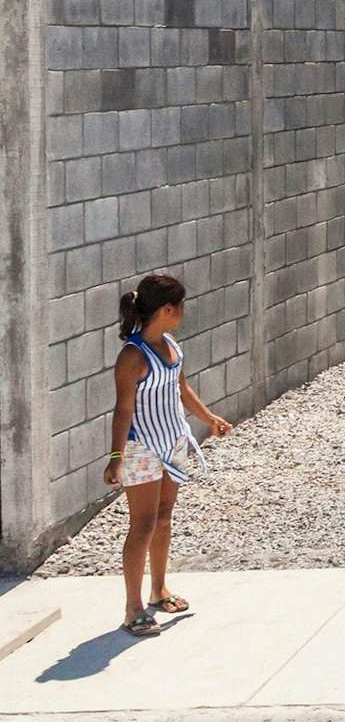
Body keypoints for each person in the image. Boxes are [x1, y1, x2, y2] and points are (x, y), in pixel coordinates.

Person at [103, 272, 232, 638]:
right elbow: (122, 409)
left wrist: (209, 418)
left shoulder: (172, 346)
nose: (183, 312)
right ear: (167, 309)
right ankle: (133, 608)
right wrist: (116, 457)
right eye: (181, 306)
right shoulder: (132, 355)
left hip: (173, 441)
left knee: (163, 517)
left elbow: (182, 389)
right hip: (141, 447)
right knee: (141, 524)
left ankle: (158, 589)